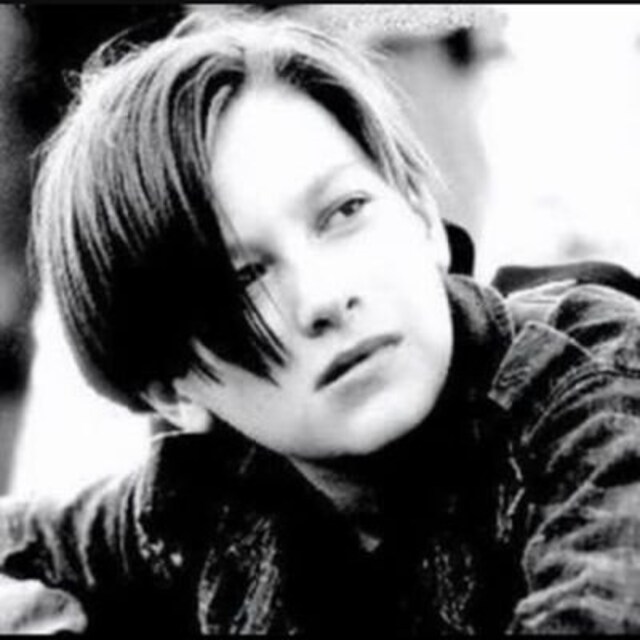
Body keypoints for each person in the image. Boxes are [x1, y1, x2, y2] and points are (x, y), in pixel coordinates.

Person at [2, 10, 640, 634]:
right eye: (243, 280)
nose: (325, 296)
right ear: (171, 389)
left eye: (345, 211)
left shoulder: (594, 385)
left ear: (421, 217)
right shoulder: (219, 488)